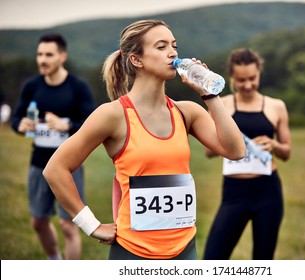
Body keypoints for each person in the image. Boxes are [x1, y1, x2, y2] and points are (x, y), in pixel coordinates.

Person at [42, 19, 245, 260]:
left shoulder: (187, 112)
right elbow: (55, 169)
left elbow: (236, 151)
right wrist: (91, 225)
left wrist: (210, 94)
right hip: (133, 252)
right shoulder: (112, 115)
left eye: (174, 46)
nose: (173, 53)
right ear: (136, 60)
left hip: (185, 249)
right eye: (161, 47)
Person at [11, 33, 96, 260]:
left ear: (62, 57)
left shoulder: (78, 87)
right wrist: (21, 124)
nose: (42, 60)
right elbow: (16, 118)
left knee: (69, 225)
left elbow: (92, 124)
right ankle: (54, 262)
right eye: (39, 54)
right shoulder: (31, 86)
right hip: (39, 163)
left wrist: (66, 124)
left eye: (49, 54)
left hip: (70, 165)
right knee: (38, 222)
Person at [203, 48, 291, 260]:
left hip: (267, 192)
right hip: (234, 193)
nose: (248, 84)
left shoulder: (276, 106)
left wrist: (273, 145)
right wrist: (232, 143)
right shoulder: (221, 104)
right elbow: (208, 151)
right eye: (241, 80)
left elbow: (287, 152)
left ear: (259, 72)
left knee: (263, 260)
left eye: (252, 78)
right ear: (232, 77)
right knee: (213, 258)